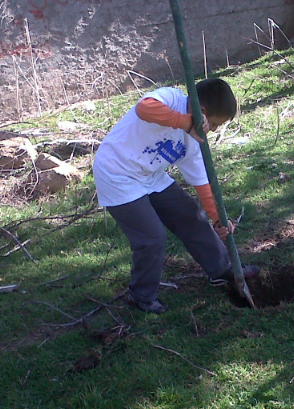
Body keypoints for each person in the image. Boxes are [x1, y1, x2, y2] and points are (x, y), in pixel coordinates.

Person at [93, 78, 259, 313]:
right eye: (212, 123)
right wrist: (185, 122)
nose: (210, 129)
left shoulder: (193, 140)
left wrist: (217, 219)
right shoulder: (171, 99)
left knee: (191, 215)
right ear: (201, 112)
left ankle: (221, 269)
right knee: (152, 237)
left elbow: (202, 183)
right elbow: (144, 108)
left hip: (150, 175)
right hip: (117, 173)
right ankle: (141, 295)